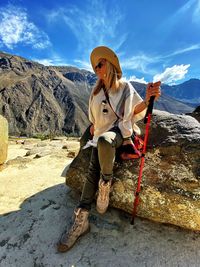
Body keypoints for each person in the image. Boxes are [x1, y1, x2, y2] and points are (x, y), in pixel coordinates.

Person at [57, 46, 161, 252]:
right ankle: (83, 215)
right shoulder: (96, 92)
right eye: (95, 66)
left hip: (119, 132)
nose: (96, 68)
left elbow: (134, 110)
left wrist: (149, 99)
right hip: (101, 136)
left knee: (104, 141)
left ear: (110, 64)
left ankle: (106, 182)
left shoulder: (124, 87)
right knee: (94, 158)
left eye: (100, 64)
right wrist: (95, 128)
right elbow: (93, 119)